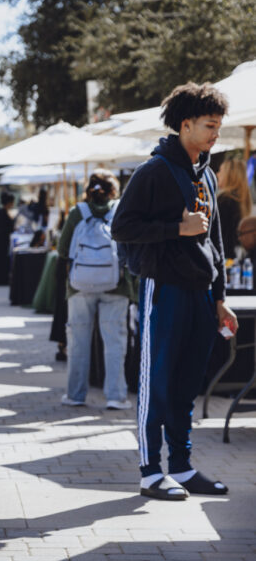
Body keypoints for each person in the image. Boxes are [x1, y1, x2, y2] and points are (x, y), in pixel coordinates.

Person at [112, 82, 238, 501]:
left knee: (186, 384)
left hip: (201, 295)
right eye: (210, 125)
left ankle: (181, 468)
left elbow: (215, 240)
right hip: (163, 289)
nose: (216, 133)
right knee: (158, 382)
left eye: (218, 126)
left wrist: (220, 298)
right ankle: (150, 472)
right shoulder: (154, 171)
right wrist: (175, 229)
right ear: (185, 126)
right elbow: (121, 227)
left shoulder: (204, 172)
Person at [56, 170, 136, 409]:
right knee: (114, 342)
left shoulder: (77, 213)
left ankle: (75, 395)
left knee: (78, 342)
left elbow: (62, 250)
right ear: (114, 190)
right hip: (116, 284)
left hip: (79, 285)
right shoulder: (121, 211)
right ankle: (115, 396)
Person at [216, 156, 251, 260]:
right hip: (235, 257)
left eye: (221, 171)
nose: (217, 174)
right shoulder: (241, 199)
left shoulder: (225, 199)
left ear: (229, 175)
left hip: (223, 257)